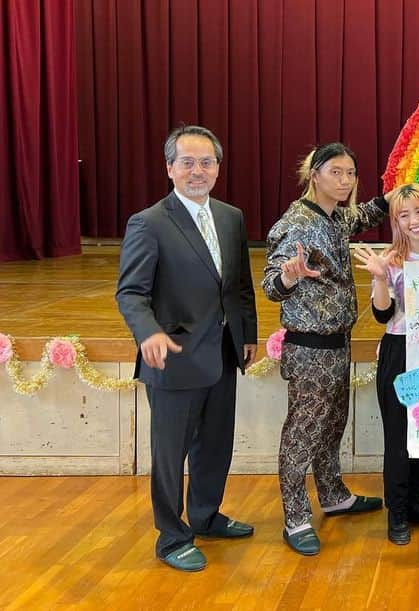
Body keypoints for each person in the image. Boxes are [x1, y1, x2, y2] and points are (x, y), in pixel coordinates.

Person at [116, 125, 258, 572]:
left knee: (215, 445)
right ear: (170, 168)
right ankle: (172, 536)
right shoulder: (150, 222)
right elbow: (131, 293)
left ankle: (206, 515)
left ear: (218, 167)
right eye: (188, 162)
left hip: (223, 353)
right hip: (173, 358)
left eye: (207, 162)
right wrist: (148, 333)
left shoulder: (231, 216)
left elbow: (238, 286)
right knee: (169, 452)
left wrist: (248, 334)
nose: (198, 171)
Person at [261, 142, 389, 556]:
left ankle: (333, 495)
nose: (345, 180)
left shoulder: (335, 216)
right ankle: (295, 517)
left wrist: (398, 193)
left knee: (333, 425)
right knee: (303, 432)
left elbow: (367, 213)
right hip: (310, 347)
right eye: (336, 172)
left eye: (350, 173)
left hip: (338, 343)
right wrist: (289, 278)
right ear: (314, 174)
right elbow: (270, 285)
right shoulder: (297, 223)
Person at [353, 183, 419, 545]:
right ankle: (396, 513)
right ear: (396, 221)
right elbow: (382, 315)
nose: (414, 221)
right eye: (404, 214)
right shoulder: (392, 261)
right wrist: (380, 279)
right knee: (399, 439)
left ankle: (415, 504)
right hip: (400, 351)